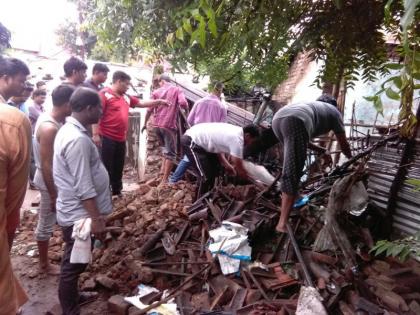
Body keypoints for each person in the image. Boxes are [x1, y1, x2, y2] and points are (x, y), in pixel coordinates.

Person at [245, 95, 352, 233]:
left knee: (292, 162)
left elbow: (301, 140)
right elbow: (343, 145)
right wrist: (351, 159)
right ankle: (282, 223)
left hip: (278, 120)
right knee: (292, 171)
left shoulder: (310, 105)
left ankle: (295, 196)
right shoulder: (334, 111)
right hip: (295, 121)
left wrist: (322, 151)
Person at [53, 87, 112, 315]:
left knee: (78, 258)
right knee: (73, 264)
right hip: (80, 215)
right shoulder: (76, 139)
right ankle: (70, 310)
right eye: (99, 107)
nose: (101, 112)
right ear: (88, 109)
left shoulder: (72, 131)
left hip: (78, 212)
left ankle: (74, 297)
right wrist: (96, 219)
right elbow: (83, 185)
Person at [94, 71, 169, 196]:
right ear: (118, 81)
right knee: (106, 166)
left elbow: (141, 103)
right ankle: (104, 193)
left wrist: (158, 102)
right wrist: (95, 134)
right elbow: (96, 114)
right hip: (106, 137)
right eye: (127, 84)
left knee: (119, 165)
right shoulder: (104, 94)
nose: (128, 87)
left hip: (120, 138)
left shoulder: (126, 97)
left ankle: (117, 191)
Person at [0, 56, 31, 315]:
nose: (24, 86)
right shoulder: (13, 121)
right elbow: (17, 189)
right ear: (5, 78)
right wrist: (9, 226)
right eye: (21, 81)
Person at [33, 84, 74, 275]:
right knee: (46, 221)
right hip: (48, 180)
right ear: (67, 104)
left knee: (49, 219)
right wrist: (53, 193)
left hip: (50, 179)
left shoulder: (52, 120)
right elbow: (47, 164)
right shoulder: (49, 127)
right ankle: (43, 265)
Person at [182, 123, 260, 198]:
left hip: (202, 145)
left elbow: (218, 149)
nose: (250, 144)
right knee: (205, 176)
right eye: (252, 141)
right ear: (247, 135)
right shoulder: (237, 139)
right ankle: (198, 204)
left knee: (214, 172)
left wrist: (227, 165)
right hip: (192, 140)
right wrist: (249, 178)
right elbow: (237, 162)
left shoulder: (236, 132)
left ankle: (208, 198)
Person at [169, 82, 227, 183]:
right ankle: (206, 186)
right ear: (220, 91)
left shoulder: (199, 102)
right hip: (210, 138)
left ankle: (173, 181)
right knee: (207, 163)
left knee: (188, 158)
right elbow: (222, 128)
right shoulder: (222, 107)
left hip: (196, 135)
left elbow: (190, 120)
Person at [143, 74, 189, 184]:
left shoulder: (156, 92)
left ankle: (161, 174)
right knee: (171, 154)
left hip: (156, 126)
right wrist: (186, 111)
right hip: (168, 126)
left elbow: (149, 109)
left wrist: (145, 123)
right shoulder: (177, 90)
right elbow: (183, 103)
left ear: (161, 82)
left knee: (165, 149)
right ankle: (164, 181)